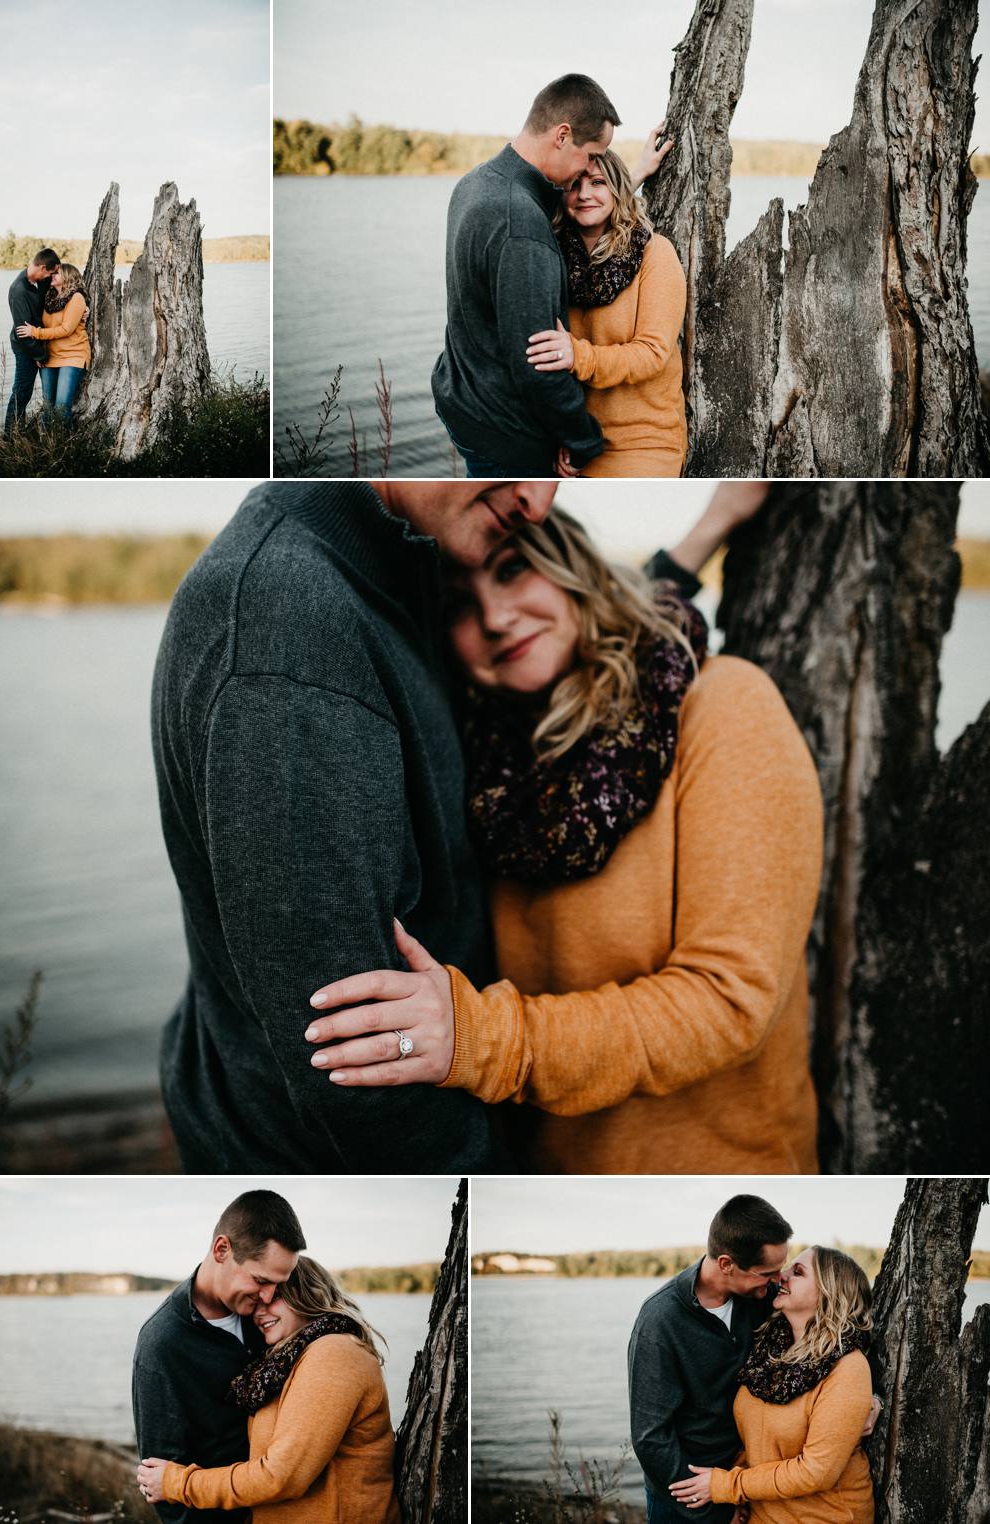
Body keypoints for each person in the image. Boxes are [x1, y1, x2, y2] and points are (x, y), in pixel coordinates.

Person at [300, 485, 823, 1175]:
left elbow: (730, 1000)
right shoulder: (478, 756)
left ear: (573, 566)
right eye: (458, 603)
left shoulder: (720, 708)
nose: (494, 615)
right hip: (533, 1177)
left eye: (514, 567)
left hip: (703, 1174)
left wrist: (481, 1042)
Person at [151, 479, 556, 1173]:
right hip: (323, 1165)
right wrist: (488, 1174)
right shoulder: (292, 629)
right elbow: (346, 1060)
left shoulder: (395, 566)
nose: (537, 501)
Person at [431, 74, 620, 478]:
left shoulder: (477, 183)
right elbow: (537, 363)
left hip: (466, 403)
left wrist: (632, 178)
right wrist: (584, 439)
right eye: (590, 155)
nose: (590, 168)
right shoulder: (520, 224)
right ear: (562, 135)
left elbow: (563, 201)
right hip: (509, 437)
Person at [137, 1257, 401, 1523]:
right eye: (255, 1303)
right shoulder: (286, 1361)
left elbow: (281, 1477)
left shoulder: (335, 1353)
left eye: (273, 1298)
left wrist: (178, 1483)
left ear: (306, 1294)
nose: (258, 1313)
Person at [132, 1189, 305, 1524]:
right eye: (260, 1280)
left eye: (279, 1285)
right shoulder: (163, 1343)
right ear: (222, 1249)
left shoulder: (268, 1315)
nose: (269, 1296)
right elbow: (163, 1482)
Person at [669, 1246, 875, 1523]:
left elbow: (816, 1472)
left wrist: (728, 1486)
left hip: (825, 1516)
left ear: (828, 1292)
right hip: (762, 1513)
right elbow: (755, 1442)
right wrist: (735, 1500)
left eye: (797, 1272)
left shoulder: (847, 1366)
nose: (782, 1276)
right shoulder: (770, 1347)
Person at [628, 1195, 794, 1524]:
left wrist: (867, 1397)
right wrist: (713, 1512)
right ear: (726, 1264)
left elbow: (834, 1326)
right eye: (767, 1272)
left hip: (745, 1482)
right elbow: (651, 1438)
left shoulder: (763, 1297)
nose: (778, 1279)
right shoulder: (660, 1321)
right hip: (683, 1500)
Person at [525, 148, 687, 477]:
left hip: (644, 440)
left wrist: (578, 356)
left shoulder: (654, 253)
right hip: (579, 439)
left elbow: (653, 352)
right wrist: (570, 434)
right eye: (574, 184)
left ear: (616, 189)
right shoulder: (552, 258)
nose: (584, 194)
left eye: (598, 183)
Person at [15, 261, 92, 424]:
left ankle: (66, 447)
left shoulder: (77, 298)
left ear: (68, 276)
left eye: (56, 273)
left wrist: (34, 333)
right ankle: (49, 447)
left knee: (61, 409)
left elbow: (66, 330)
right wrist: (38, 352)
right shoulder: (48, 297)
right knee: (48, 409)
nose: (52, 276)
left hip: (73, 355)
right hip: (50, 356)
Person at [3, 246, 60, 437]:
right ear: (43, 268)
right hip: (26, 348)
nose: (50, 278)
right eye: (50, 273)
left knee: (43, 393)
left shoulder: (38, 282)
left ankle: (26, 431)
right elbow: (22, 333)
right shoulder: (18, 290)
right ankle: (10, 436)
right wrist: (40, 355)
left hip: (39, 342)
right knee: (22, 391)